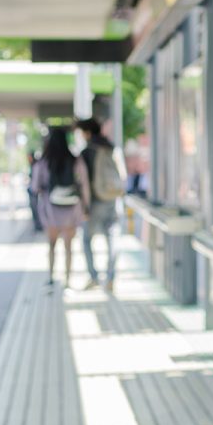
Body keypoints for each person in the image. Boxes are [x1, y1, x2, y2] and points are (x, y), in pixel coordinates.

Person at [31, 128, 89, 288]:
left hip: (50, 210)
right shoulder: (75, 160)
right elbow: (84, 185)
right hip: (72, 208)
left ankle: (51, 277)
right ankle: (68, 280)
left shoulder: (43, 162)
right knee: (69, 247)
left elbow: (34, 187)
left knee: (51, 245)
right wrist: (86, 207)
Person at [75, 117, 121, 293]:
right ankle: (110, 279)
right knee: (112, 238)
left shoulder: (88, 151)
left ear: (87, 133)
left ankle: (94, 277)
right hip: (112, 197)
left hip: (95, 201)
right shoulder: (110, 147)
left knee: (86, 239)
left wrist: (85, 207)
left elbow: (84, 183)